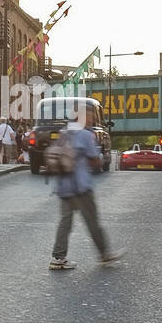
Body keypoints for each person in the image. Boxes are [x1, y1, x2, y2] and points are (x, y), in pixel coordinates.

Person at [49, 107, 122, 269]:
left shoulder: (64, 132)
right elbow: (95, 161)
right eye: (89, 118)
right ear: (84, 119)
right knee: (92, 221)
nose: (91, 121)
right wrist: (101, 161)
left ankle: (58, 258)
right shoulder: (85, 135)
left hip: (64, 185)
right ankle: (105, 255)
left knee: (65, 222)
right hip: (81, 187)